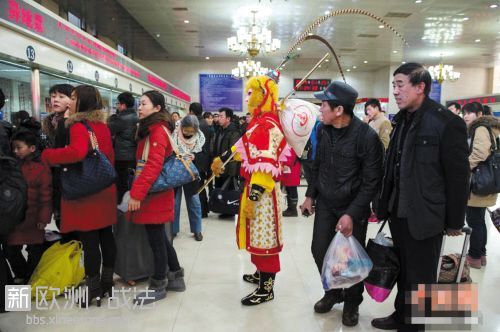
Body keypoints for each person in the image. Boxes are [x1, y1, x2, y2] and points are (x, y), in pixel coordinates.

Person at [373, 63, 470, 330]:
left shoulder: (447, 123)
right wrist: (382, 205)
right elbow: (393, 166)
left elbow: (458, 177)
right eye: (394, 85)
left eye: (400, 85)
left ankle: (414, 326)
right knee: (402, 271)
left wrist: (453, 221)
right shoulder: (401, 119)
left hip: (426, 215)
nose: (395, 91)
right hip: (398, 212)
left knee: (421, 279)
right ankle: (400, 315)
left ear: (421, 87)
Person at [300, 81, 384, 327]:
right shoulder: (323, 131)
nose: (320, 110)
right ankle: (333, 292)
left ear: (339, 110)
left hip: (353, 207)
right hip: (326, 202)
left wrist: (352, 213)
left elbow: (371, 182)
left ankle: (352, 302)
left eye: (323, 105)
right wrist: (310, 195)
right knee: (319, 249)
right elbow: (317, 166)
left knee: (351, 259)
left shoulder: (366, 137)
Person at [211, 71, 289, 306]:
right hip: (256, 190)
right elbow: (242, 145)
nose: (248, 97)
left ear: (264, 95)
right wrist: (223, 158)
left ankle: (267, 287)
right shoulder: (258, 123)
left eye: (251, 92)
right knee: (255, 235)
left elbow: (265, 167)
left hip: (262, 193)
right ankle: (259, 274)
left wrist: (253, 197)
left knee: (264, 239)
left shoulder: (266, 126)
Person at [42, 85, 117, 308]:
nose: (69, 101)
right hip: (104, 187)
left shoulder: (76, 125)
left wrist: (48, 155)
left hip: (86, 192)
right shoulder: (101, 125)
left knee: (90, 240)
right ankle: (107, 283)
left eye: (73, 98)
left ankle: (93, 288)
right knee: (107, 236)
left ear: (81, 102)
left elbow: (76, 152)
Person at [128, 90, 185, 305]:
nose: (139, 107)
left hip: (154, 193)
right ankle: (176, 276)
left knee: (156, 240)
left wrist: (136, 194)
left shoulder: (157, 130)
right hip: (154, 191)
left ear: (157, 108)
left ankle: (158, 284)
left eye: (144, 104)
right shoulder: (152, 128)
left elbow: (153, 166)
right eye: (139, 104)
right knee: (159, 236)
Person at [6, 131, 52, 284]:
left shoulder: (41, 169)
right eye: (14, 148)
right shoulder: (10, 166)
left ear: (32, 148)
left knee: (35, 250)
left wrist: (44, 218)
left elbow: (46, 196)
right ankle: (24, 277)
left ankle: (28, 278)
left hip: (34, 218)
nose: (16, 151)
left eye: (19, 148)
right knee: (11, 251)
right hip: (14, 219)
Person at [463, 102, 500, 269]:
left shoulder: (480, 128)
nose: (466, 116)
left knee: (474, 222)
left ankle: (474, 256)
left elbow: (480, 152)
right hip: (487, 182)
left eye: (469, 113)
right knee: (478, 221)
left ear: (479, 114)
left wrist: (463, 167)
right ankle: (481, 255)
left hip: (478, 183)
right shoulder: (490, 128)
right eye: (464, 113)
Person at [42, 84, 73, 232]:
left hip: (70, 176)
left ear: (71, 100)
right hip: (51, 175)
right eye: (53, 96)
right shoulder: (47, 122)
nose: (55, 100)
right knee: (59, 218)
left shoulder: (75, 123)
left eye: (61, 96)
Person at [172, 115, 205, 241]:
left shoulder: (200, 138)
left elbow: (205, 154)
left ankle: (197, 230)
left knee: (194, 202)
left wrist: (195, 156)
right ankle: (173, 230)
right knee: (175, 202)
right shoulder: (174, 134)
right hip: (176, 172)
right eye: (186, 131)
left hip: (191, 174)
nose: (189, 134)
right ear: (182, 127)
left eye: (192, 132)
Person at [108, 92, 139, 203]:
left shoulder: (122, 118)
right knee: (129, 183)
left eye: (117, 103)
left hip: (122, 157)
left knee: (122, 185)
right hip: (132, 155)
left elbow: (108, 130)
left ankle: (122, 211)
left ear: (123, 105)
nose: (117, 106)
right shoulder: (135, 115)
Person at [213, 107, 241, 219]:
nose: (218, 118)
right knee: (220, 186)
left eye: (221, 116)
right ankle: (222, 208)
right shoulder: (220, 130)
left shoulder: (234, 131)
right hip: (220, 164)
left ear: (228, 118)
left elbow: (233, 150)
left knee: (228, 188)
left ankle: (228, 210)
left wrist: (222, 159)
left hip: (229, 166)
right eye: (218, 116)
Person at [188, 102, 213, 218]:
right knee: (201, 184)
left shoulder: (193, 124)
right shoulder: (205, 124)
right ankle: (205, 208)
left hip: (195, 159)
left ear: (192, 112)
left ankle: (201, 210)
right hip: (204, 159)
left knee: (196, 187)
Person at [281, 150, 301, 217]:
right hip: (289, 170)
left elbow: (290, 158)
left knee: (292, 190)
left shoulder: (292, 145)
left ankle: (293, 210)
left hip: (292, 170)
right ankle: (290, 208)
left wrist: (284, 164)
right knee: (289, 190)